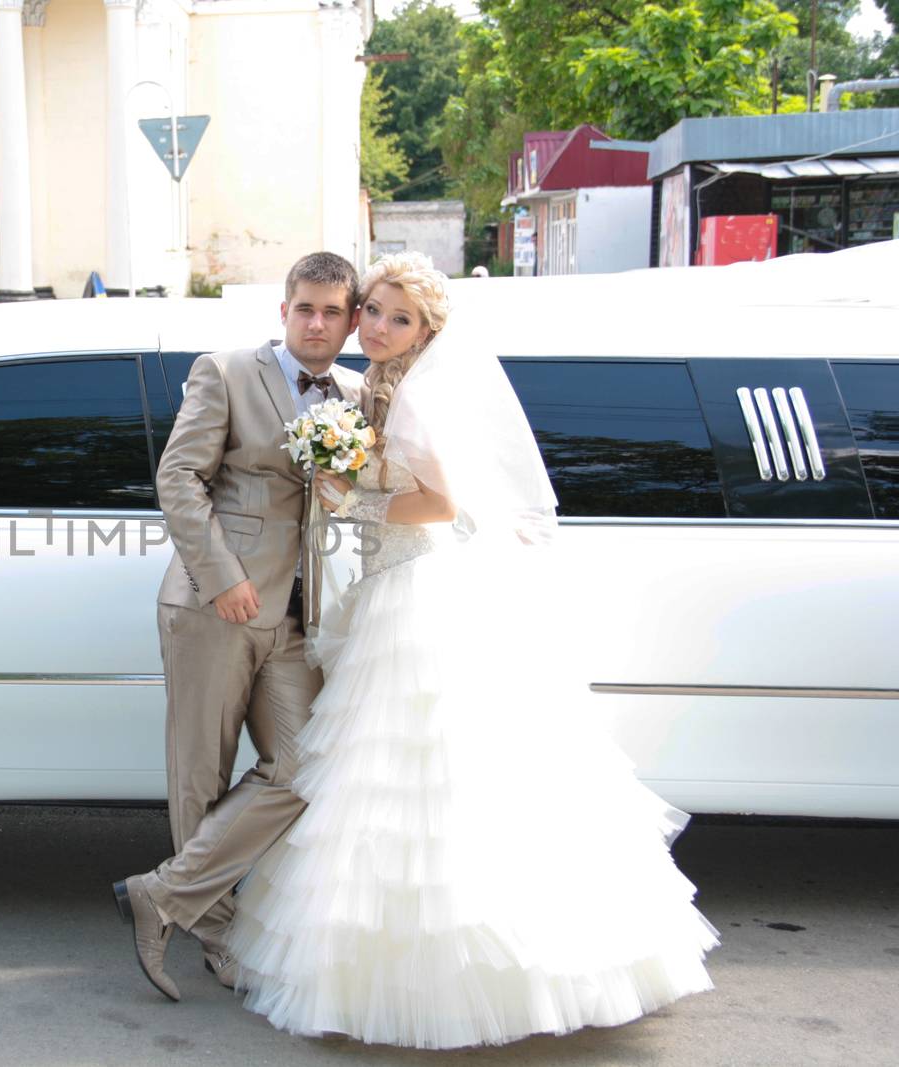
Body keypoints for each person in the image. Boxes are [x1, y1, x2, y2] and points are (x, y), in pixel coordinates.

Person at [228, 251, 719, 1048]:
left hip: (421, 597)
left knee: (417, 779)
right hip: (410, 586)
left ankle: (449, 978)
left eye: (400, 318)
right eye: (375, 312)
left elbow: (441, 503)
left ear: (427, 330)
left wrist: (352, 495)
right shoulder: (384, 386)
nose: (379, 327)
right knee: (403, 781)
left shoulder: (416, 395)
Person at [113, 252, 366, 1000]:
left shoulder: (355, 395)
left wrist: (341, 485)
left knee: (301, 766)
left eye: (331, 311)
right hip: (213, 604)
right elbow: (178, 477)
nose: (315, 323)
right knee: (200, 773)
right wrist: (221, 578)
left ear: (352, 320)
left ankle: (162, 893)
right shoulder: (224, 373)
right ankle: (217, 934)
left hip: (296, 615)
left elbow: (344, 504)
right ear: (284, 311)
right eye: (303, 309)